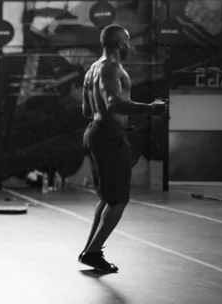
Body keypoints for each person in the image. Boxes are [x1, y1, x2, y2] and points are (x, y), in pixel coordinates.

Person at [80, 24, 167, 273]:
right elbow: (114, 102)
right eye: (127, 42)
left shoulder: (92, 70)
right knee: (118, 200)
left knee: (108, 198)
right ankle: (94, 252)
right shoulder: (111, 67)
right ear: (119, 43)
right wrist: (149, 108)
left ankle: (89, 250)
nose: (130, 46)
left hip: (95, 133)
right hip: (108, 136)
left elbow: (86, 110)